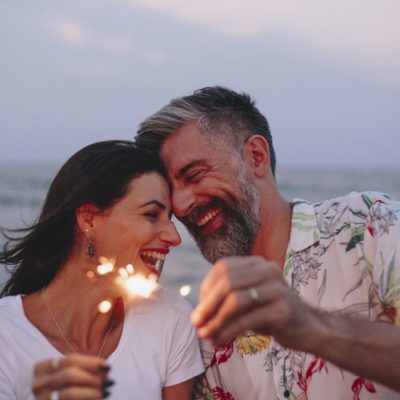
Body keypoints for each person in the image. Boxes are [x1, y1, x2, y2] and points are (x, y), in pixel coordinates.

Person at [135, 86, 400, 399]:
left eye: (194, 176)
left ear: (256, 157)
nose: (180, 206)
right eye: (171, 191)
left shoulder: (370, 225)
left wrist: (311, 327)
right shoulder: (211, 336)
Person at [0, 140, 204, 399]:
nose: (174, 237)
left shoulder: (169, 320)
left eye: (170, 220)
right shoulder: (6, 337)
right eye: (152, 215)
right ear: (88, 221)